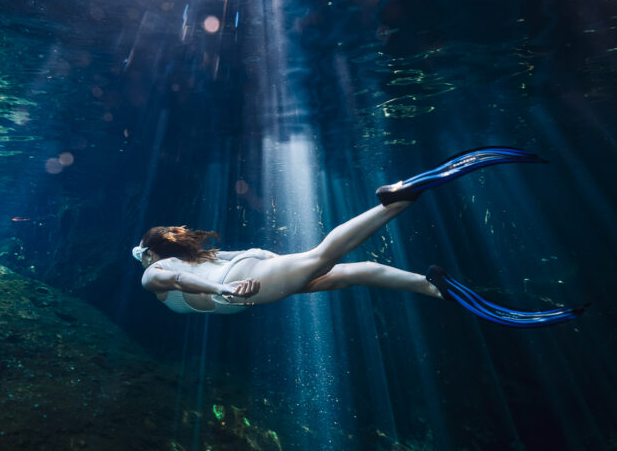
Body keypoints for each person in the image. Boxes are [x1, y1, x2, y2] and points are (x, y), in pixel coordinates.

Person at [132, 148, 586, 327]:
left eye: (144, 254)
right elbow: (230, 259)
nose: (143, 260)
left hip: (239, 285)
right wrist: (244, 271)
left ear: (153, 252)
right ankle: (436, 288)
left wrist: (223, 288)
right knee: (355, 273)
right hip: (248, 272)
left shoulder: (154, 274)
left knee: (327, 252)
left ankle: (398, 195)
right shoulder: (194, 257)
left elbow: (182, 282)